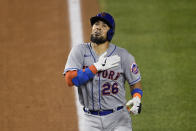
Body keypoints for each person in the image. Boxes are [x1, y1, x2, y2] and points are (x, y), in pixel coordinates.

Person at [64, 12, 143, 131]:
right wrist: (95, 68)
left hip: (119, 118)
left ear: (110, 32)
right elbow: (70, 80)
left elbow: (135, 82)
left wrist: (137, 98)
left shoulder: (123, 56)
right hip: (90, 120)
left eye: (104, 26)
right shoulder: (79, 51)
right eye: (96, 24)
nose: (98, 27)